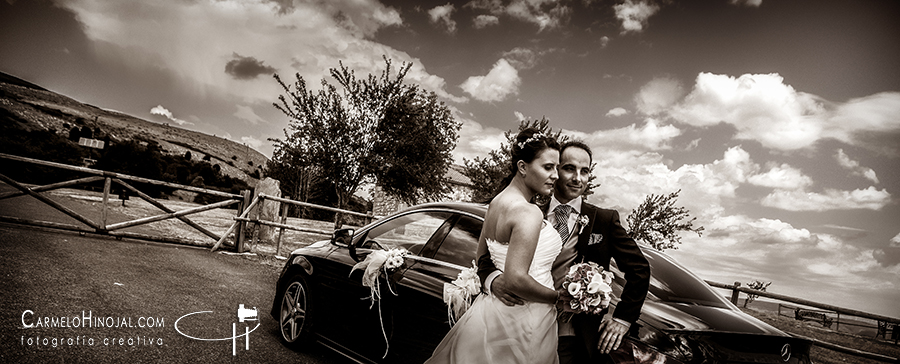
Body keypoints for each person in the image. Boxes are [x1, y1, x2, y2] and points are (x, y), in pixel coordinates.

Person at [479, 140, 650, 364]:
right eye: (569, 168)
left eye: (585, 171)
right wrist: (493, 280)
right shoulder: (528, 211)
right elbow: (487, 254)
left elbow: (640, 269)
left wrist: (623, 319)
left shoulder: (604, 220)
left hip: (570, 336)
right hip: (516, 323)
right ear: (556, 169)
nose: (577, 178)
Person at [426, 128, 564, 364]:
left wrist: (491, 281)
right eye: (548, 167)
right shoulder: (528, 211)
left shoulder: (496, 203)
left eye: (557, 168)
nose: (556, 176)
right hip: (525, 318)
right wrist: (558, 298)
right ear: (522, 167)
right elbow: (517, 279)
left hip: (492, 312)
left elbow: (482, 255)